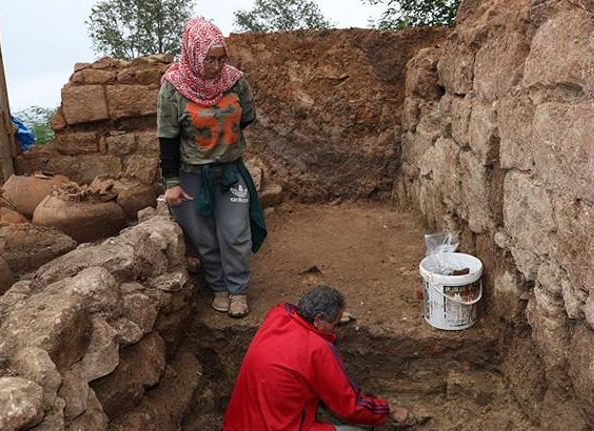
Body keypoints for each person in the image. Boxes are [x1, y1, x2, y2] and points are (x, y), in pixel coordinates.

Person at [157, 18, 266, 318]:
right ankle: (219, 287)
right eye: (210, 60)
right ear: (193, 54)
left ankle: (237, 290)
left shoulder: (234, 81)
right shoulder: (173, 87)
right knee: (204, 237)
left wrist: (222, 141)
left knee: (235, 234)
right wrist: (171, 182)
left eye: (221, 58)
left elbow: (247, 116)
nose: (217, 66)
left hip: (230, 172)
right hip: (192, 175)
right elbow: (167, 136)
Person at [223, 285, 409, 430]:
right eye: (334, 323)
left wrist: (329, 322)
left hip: (238, 424)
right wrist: (389, 409)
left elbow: (290, 308)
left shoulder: (278, 314)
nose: (335, 328)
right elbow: (350, 406)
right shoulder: (317, 349)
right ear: (318, 319)